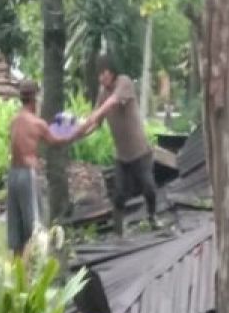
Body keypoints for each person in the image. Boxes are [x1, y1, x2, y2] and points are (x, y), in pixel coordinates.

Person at [77, 55, 156, 235]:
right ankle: (118, 232)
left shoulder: (124, 82)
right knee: (119, 195)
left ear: (112, 72)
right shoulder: (102, 92)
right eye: (99, 75)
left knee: (149, 188)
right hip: (122, 156)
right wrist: (79, 134)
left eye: (103, 73)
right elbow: (97, 122)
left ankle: (152, 217)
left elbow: (110, 104)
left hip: (140, 152)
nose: (101, 78)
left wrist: (92, 117)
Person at [8, 79, 78, 257]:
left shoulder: (15, 121)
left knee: (16, 232)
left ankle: (17, 275)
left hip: (13, 175)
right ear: (35, 98)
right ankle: (35, 274)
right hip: (27, 175)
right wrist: (78, 131)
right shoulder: (37, 123)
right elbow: (56, 141)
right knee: (35, 229)